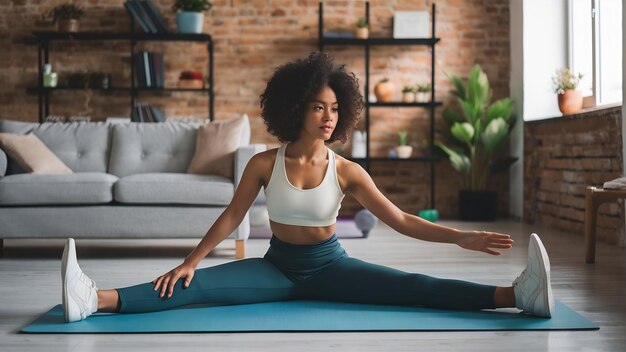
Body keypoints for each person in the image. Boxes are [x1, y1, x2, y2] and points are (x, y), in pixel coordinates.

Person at [61, 52, 554, 323]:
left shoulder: (347, 170)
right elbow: (232, 217)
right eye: (319, 106)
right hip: (276, 267)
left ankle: (517, 294)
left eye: (335, 109)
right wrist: (192, 260)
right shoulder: (263, 162)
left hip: (331, 266)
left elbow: (401, 221)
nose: (328, 117)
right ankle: (93, 299)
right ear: (296, 107)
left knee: (412, 287)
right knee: (195, 287)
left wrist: (462, 238)